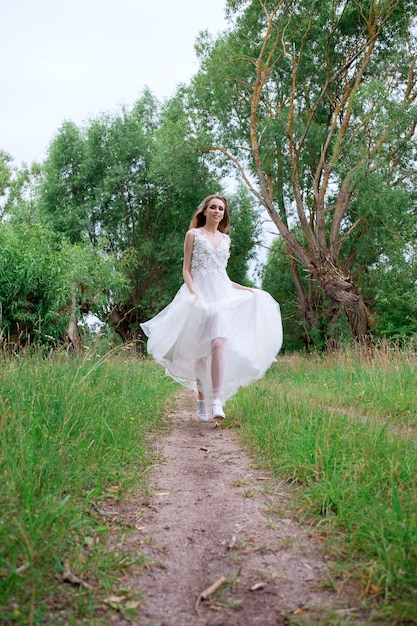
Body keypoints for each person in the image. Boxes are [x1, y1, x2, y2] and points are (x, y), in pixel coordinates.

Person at [140, 194, 283, 422]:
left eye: (221, 209)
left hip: (222, 296)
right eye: (213, 207)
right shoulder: (193, 235)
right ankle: (200, 399)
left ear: (223, 214)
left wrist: (246, 289)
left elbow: (222, 275)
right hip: (199, 296)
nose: (217, 211)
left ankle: (217, 401)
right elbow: (186, 270)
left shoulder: (225, 240)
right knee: (201, 352)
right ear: (205, 211)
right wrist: (194, 293)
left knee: (218, 343)